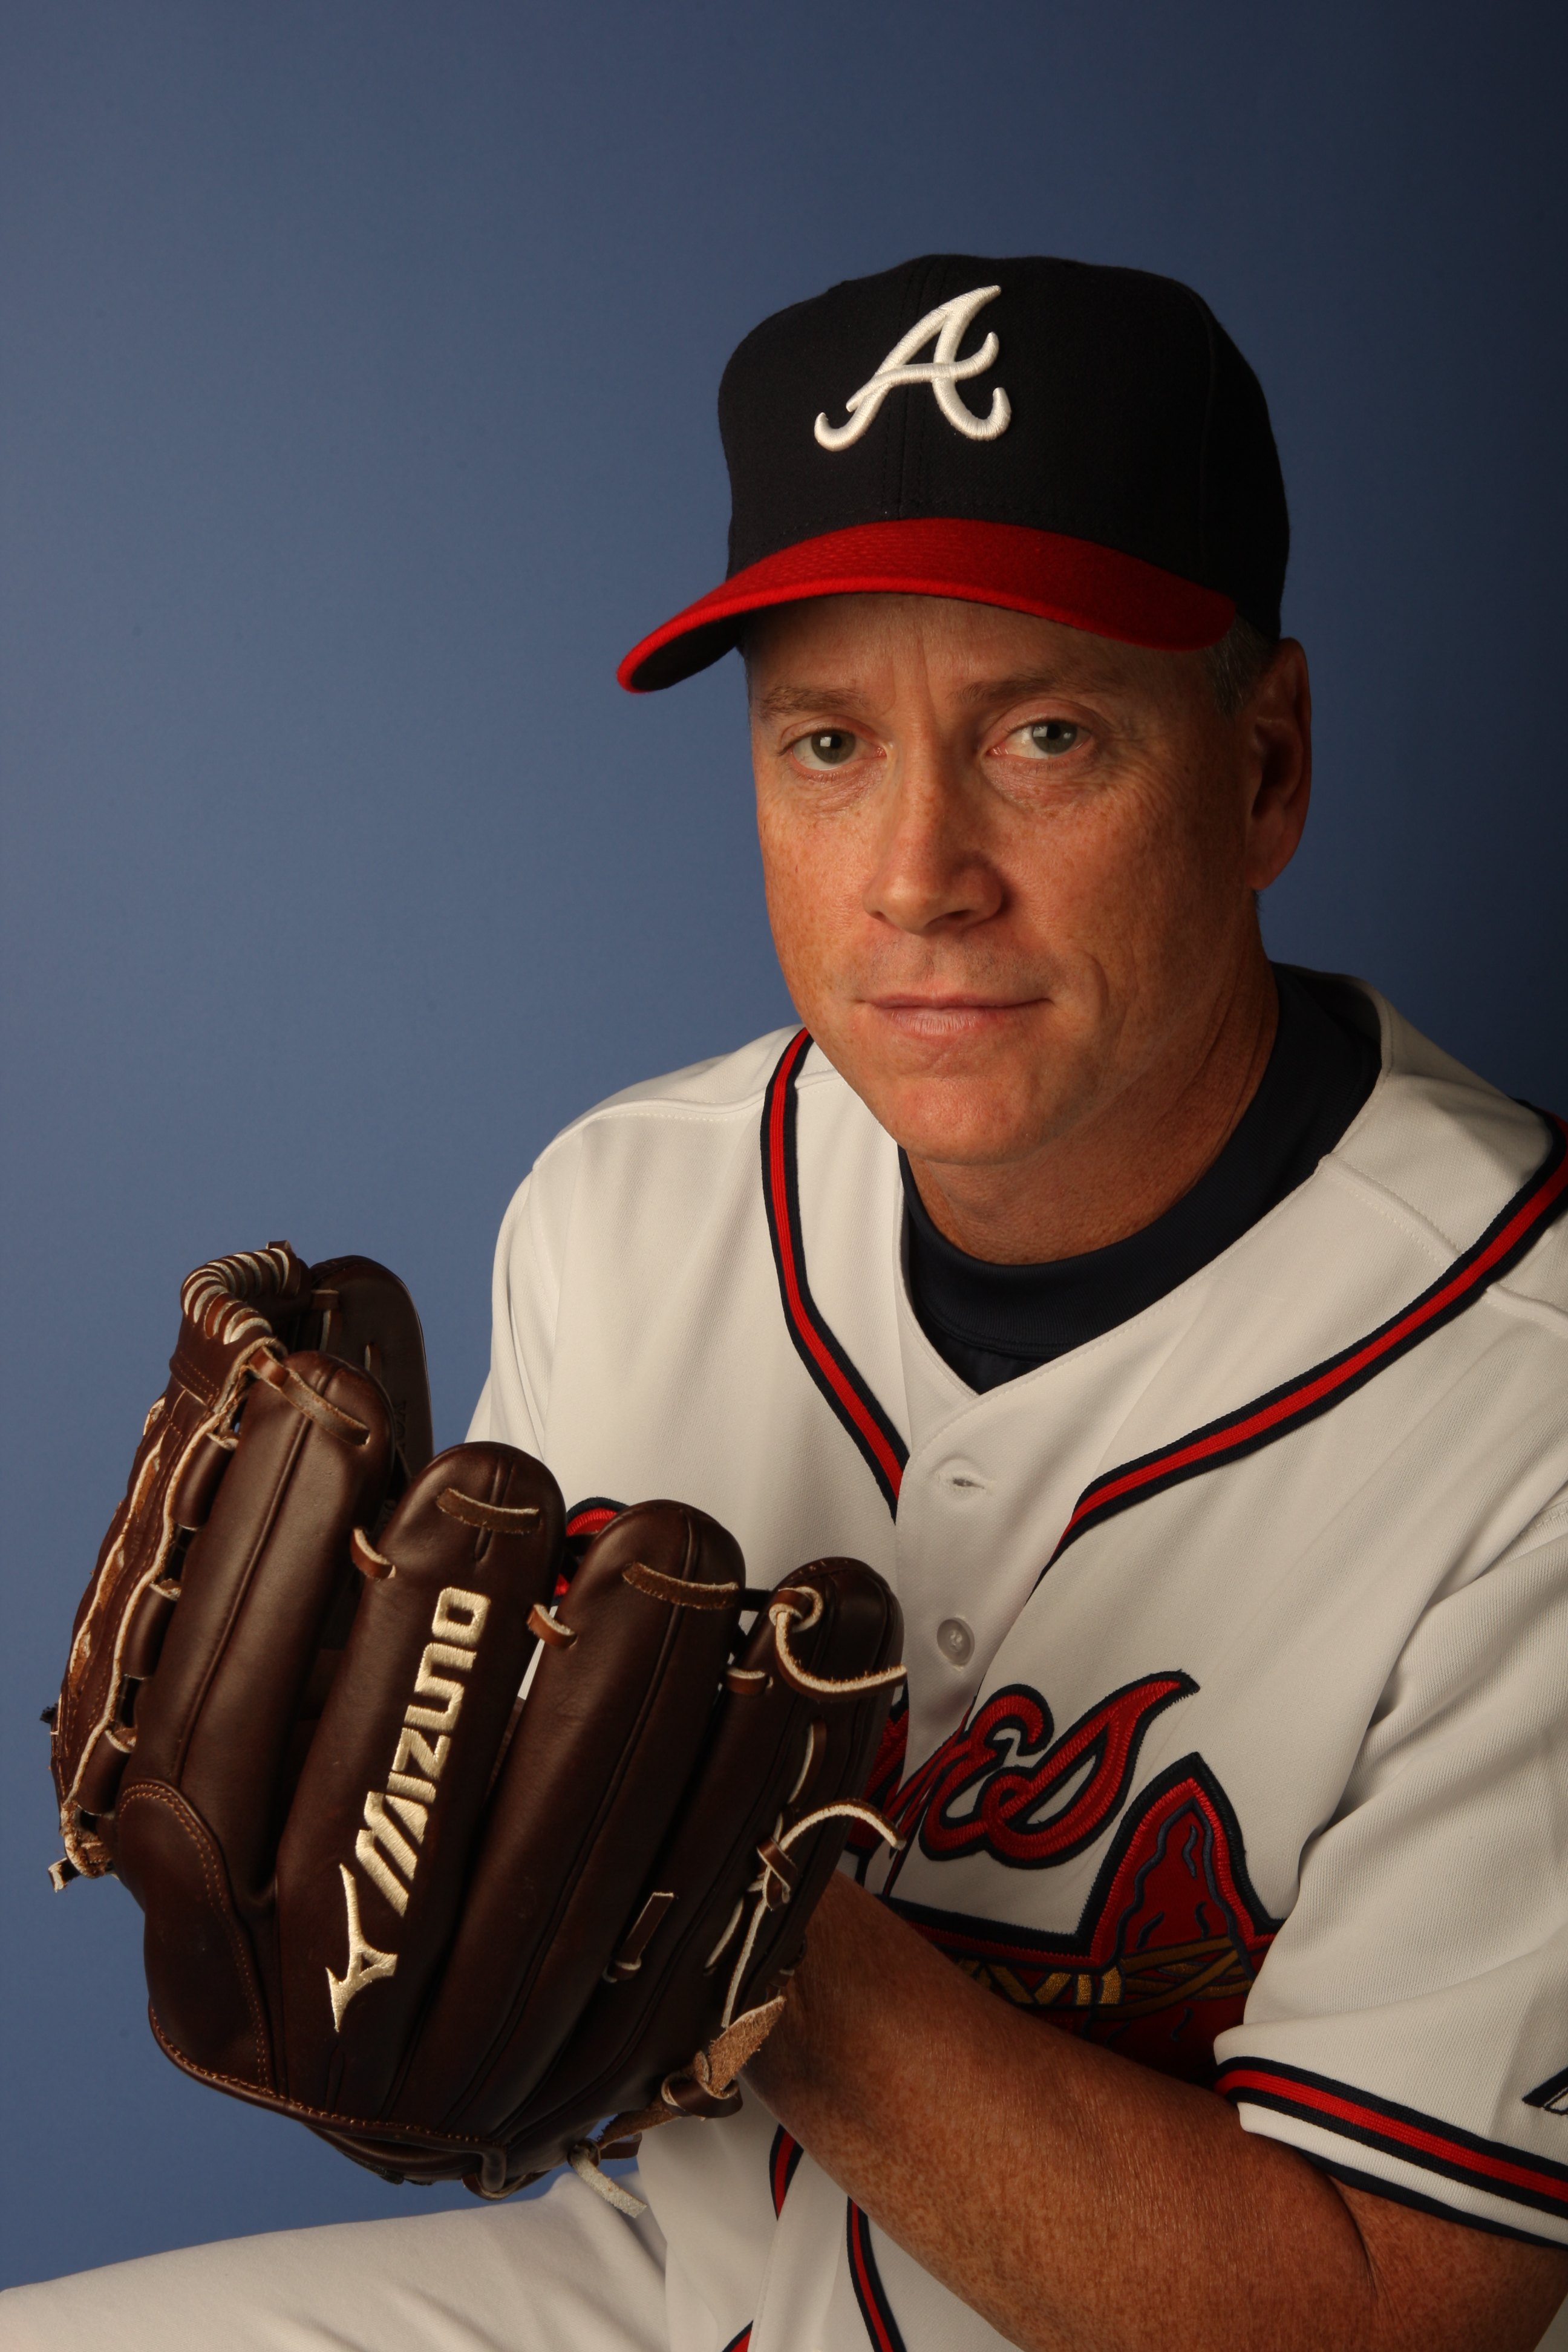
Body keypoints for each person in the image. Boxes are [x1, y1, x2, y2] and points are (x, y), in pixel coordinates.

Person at [9, 253, 1568, 2352]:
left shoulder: (1526, 1385)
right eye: (830, 741)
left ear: (1266, 766)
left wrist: (731, 1915)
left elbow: (1397, 2312)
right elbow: (535, 2040)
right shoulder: (626, 1209)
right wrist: (404, 1899)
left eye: (1043, 733)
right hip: (689, 2281)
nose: (921, 869)